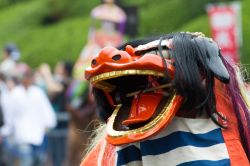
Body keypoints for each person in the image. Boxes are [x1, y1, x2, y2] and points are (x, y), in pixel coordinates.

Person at [3, 63, 57, 166]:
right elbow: (9, 119)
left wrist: (46, 126)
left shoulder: (38, 93)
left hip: (39, 138)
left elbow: (49, 116)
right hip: (21, 138)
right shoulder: (15, 94)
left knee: (39, 161)